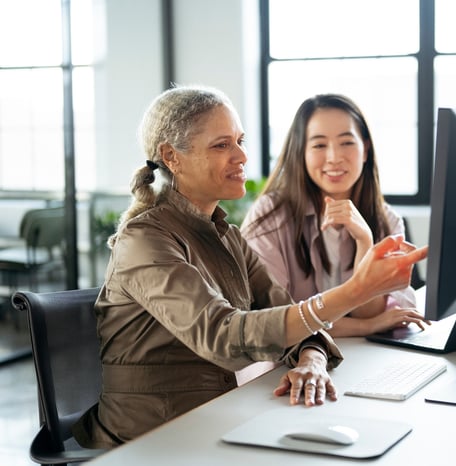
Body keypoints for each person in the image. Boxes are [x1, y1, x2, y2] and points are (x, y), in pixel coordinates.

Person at [73, 84, 427, 449]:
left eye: (240, 141)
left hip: (221, 418)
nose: (242, 155)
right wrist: (355, 291)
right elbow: (223, 337)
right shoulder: (144, 240)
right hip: (151, 439)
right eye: (222, 145)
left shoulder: (228, 237)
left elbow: (287, 316)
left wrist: (312, 360)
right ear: (172, 157)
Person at [241, 94, 427, 337]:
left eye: (347, 142)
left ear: (365, 149)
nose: (334, 157)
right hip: (294, 361)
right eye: (319, 145)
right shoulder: (269, 216)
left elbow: (374, 311)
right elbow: (274, 320)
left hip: (364, 356)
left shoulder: (386, 219)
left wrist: (365, 242)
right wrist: (366, 327)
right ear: (301, 153)